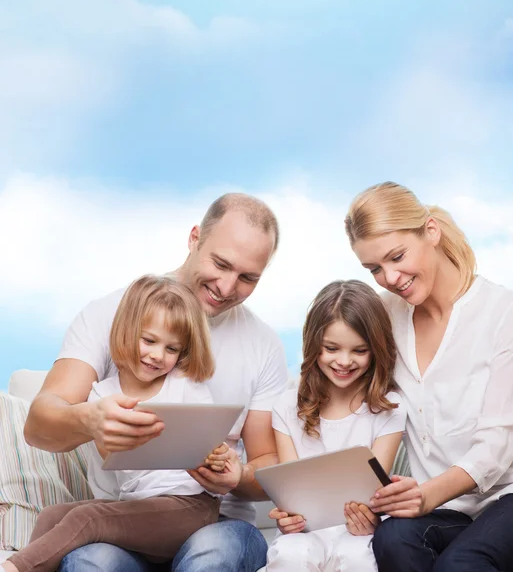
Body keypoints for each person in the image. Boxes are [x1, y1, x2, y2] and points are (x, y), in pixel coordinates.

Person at [24, 194, 289, 572]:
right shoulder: (111, 314)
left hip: (215, 521)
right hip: (125, 522)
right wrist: (90, 421)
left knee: (214, 554)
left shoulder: (263, 344)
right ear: (195, 237)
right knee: (90, 561)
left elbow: (267, 466)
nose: (228, 287)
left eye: (247, 278)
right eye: (221, 263)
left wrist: (236, 476)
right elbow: (38, 426)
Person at [344, 181, 513, 572]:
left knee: (462, 562)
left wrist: (426, 496)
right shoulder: (386, 317)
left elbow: (497, 445)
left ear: (431, 231)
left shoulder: (508, 311)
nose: (391, 277)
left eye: (397, 256)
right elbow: (355, 403)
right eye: (374, 268)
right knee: (392, 538)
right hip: (452, 506)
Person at [3, 274, 238, 572]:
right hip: (137, 509)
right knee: (51, 515)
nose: (157, 356)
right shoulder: (102, 394)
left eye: (171, 349)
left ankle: (14, 568)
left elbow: (208, 445)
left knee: (86, 519)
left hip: (190, 507)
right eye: (149, 340)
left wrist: (217, 458)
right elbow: (114, 464)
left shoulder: (185, 385)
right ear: (127, 331)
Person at [266, 280, 407, 572]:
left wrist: (368, 517)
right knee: (291, 555)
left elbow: (373, 493)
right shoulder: (286, 405)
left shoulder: (389, 407)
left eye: (359, 350)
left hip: (358, 531)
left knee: (358, 559)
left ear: (376, 349)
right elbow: (290, 492)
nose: (344, 361)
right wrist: (288, 517)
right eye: (331, 348)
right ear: (313, 345)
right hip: (305, 532)